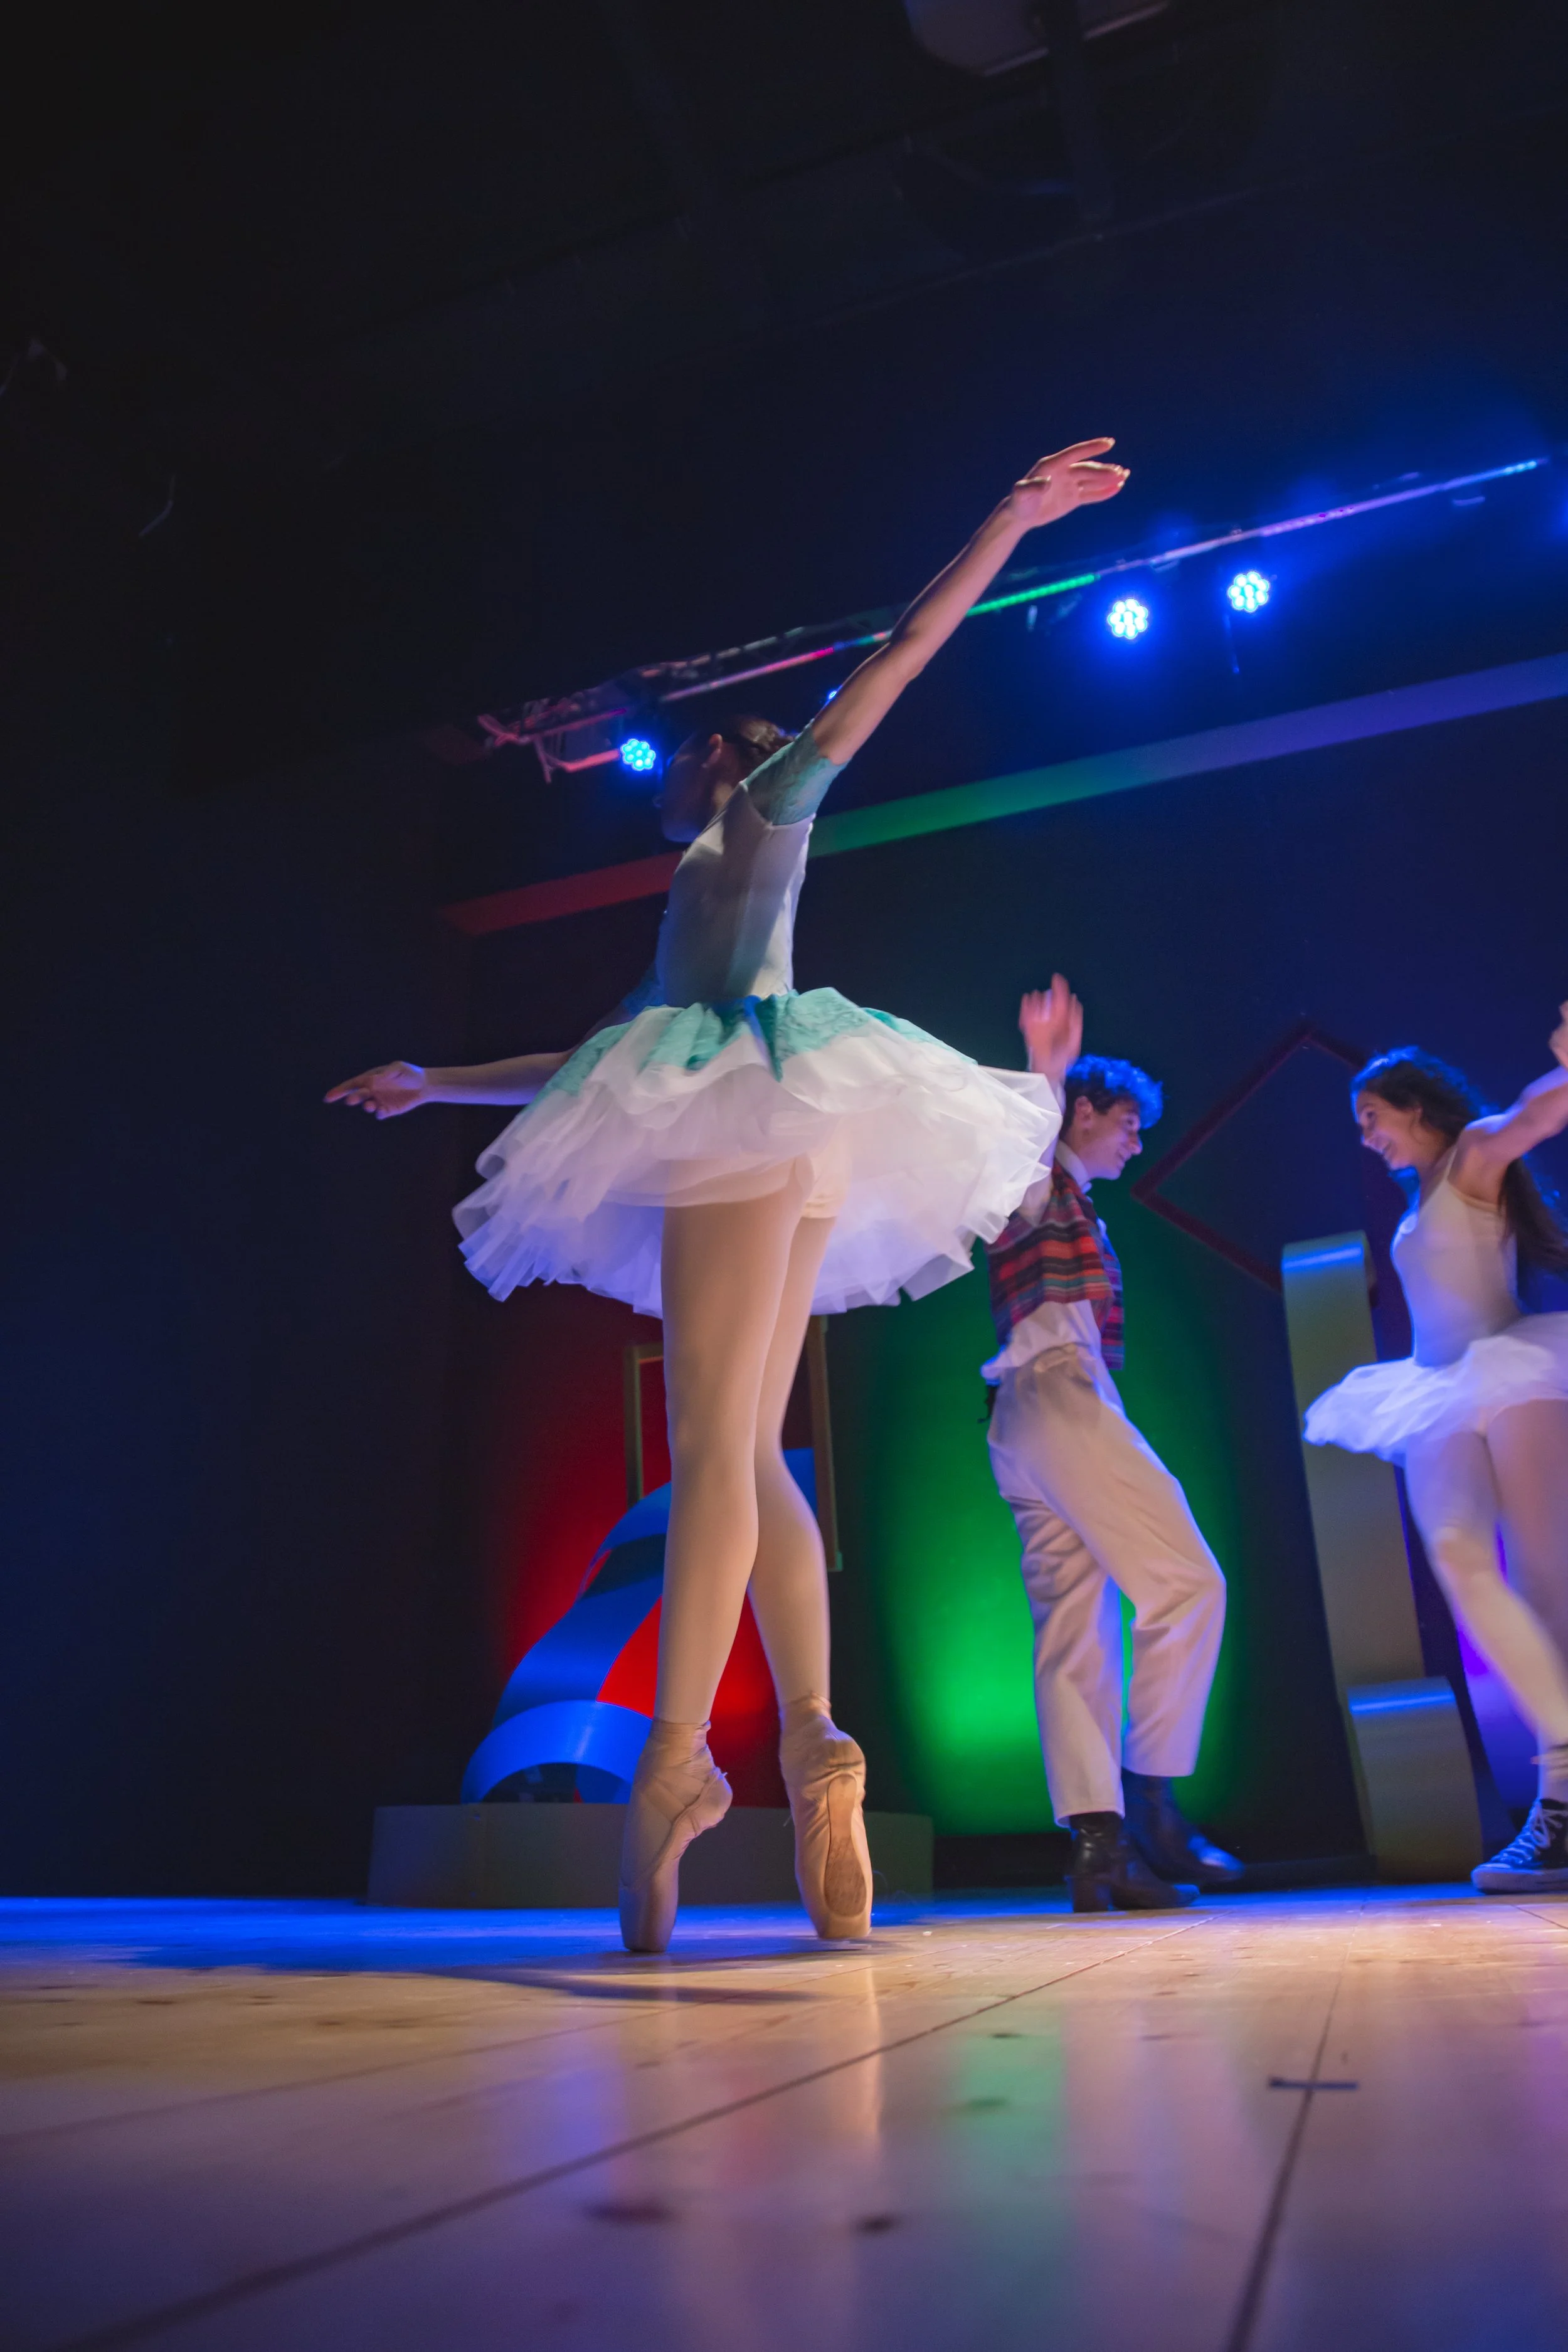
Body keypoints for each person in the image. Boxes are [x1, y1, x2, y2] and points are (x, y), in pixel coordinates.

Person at [327, 440, 1128, 1952]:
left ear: (725, 755)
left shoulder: (763, 803)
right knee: (751, 1449)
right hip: (788, 1130)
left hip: (755, 1121)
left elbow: (894, 663)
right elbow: (595, 1063)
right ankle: (814, 1735)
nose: (672, 769)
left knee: (710, 1450)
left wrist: (1005, 519)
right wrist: (437, 1083)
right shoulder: (694, 891)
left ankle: (675, 1776)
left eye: (687, 753)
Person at [983, 985, 1241, 1913]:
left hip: (1024, 1416)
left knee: (1074, 1635)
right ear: (1084, 1113)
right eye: (1127, 1123)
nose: (1137, 1142)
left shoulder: (1071, 1198)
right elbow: (1024, 1146)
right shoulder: (1039, 1179)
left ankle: (1099, 1850)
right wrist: (1049, 1065)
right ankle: (1153, 1804)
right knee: (1189, 1582)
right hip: (1053, 1396)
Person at [1305, 1012, 1568, 1893]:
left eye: (1373, 1117)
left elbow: (1530, 1115)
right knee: (1459, 1554)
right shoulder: (1423, 1196)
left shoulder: (1473, 1158)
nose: (1369, 1136)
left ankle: (1559, 1801)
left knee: (1545, 1577)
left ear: (1417, 1108)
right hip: (1437, 1387)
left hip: (1516, 1377)